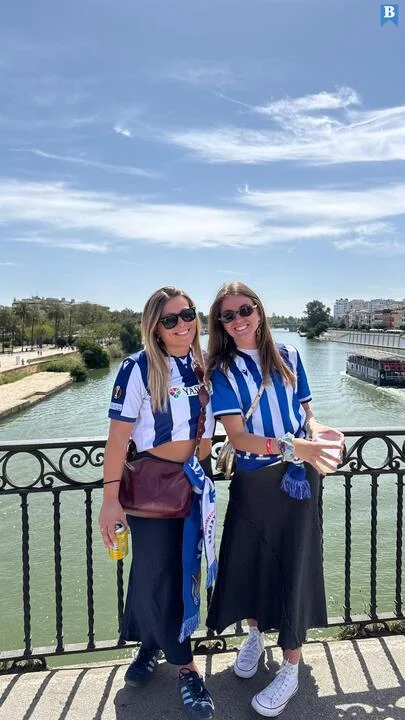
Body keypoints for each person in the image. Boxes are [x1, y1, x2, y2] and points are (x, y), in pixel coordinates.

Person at [205, 282, 344, 718]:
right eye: (228, 315)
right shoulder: (221, 370)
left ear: (259, 310)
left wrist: (318, 433)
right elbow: (237, 436)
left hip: (299, 479)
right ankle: (254, 635)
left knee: (293, 565)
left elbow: (306, 413)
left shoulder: (289, 355)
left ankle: (291, 665)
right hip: (255, 479)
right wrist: (292, 446)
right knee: (250, 560)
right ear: (220, 324)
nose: (239, 319)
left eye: (245, 309)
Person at [99, 286, 216, 719]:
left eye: (188, 314)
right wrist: (110, 501)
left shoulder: (204, 365)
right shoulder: (139, 367)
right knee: (159, 571)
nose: (182, 324)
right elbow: (117, 440)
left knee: (177, 570)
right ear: (155, 327)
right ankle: (185, 667)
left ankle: (150, 644)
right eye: (170, 319)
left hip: (193, 484)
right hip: (152, 488)